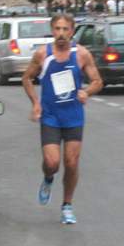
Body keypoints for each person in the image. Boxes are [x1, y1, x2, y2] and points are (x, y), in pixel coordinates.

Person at [21, 14, 103, 224]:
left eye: (65, 29)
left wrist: (87, 92)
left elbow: (97, 81)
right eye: (57, 29)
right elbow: (27, 78)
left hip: (74, 116)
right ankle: (48, 178)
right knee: (52, 163)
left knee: (71, 162)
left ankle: (67, 205)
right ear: (52, 29)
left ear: (72, 31)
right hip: (50, 116)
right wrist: (35, 103)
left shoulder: (81, 54)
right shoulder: (42, 54)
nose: (61, 34)